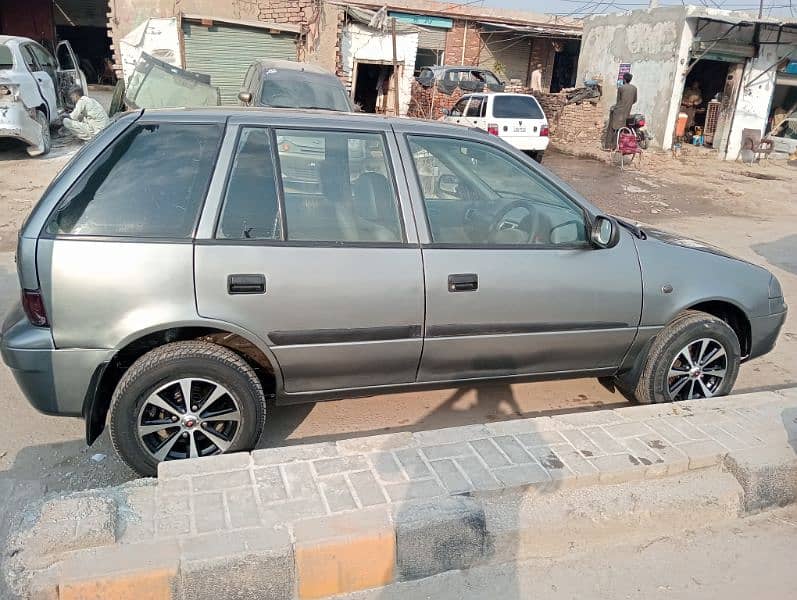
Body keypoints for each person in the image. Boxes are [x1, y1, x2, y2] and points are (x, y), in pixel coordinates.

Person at [604, 72, 637, 149]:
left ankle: (608, 145)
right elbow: (635, 100)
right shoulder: (634, 88)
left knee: (611, 128)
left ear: (624, 79)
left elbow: (618, 101)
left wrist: (615, 108)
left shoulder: (621, 88)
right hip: (627, 111)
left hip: (618, 111)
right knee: (621, 128)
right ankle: (618, 145)